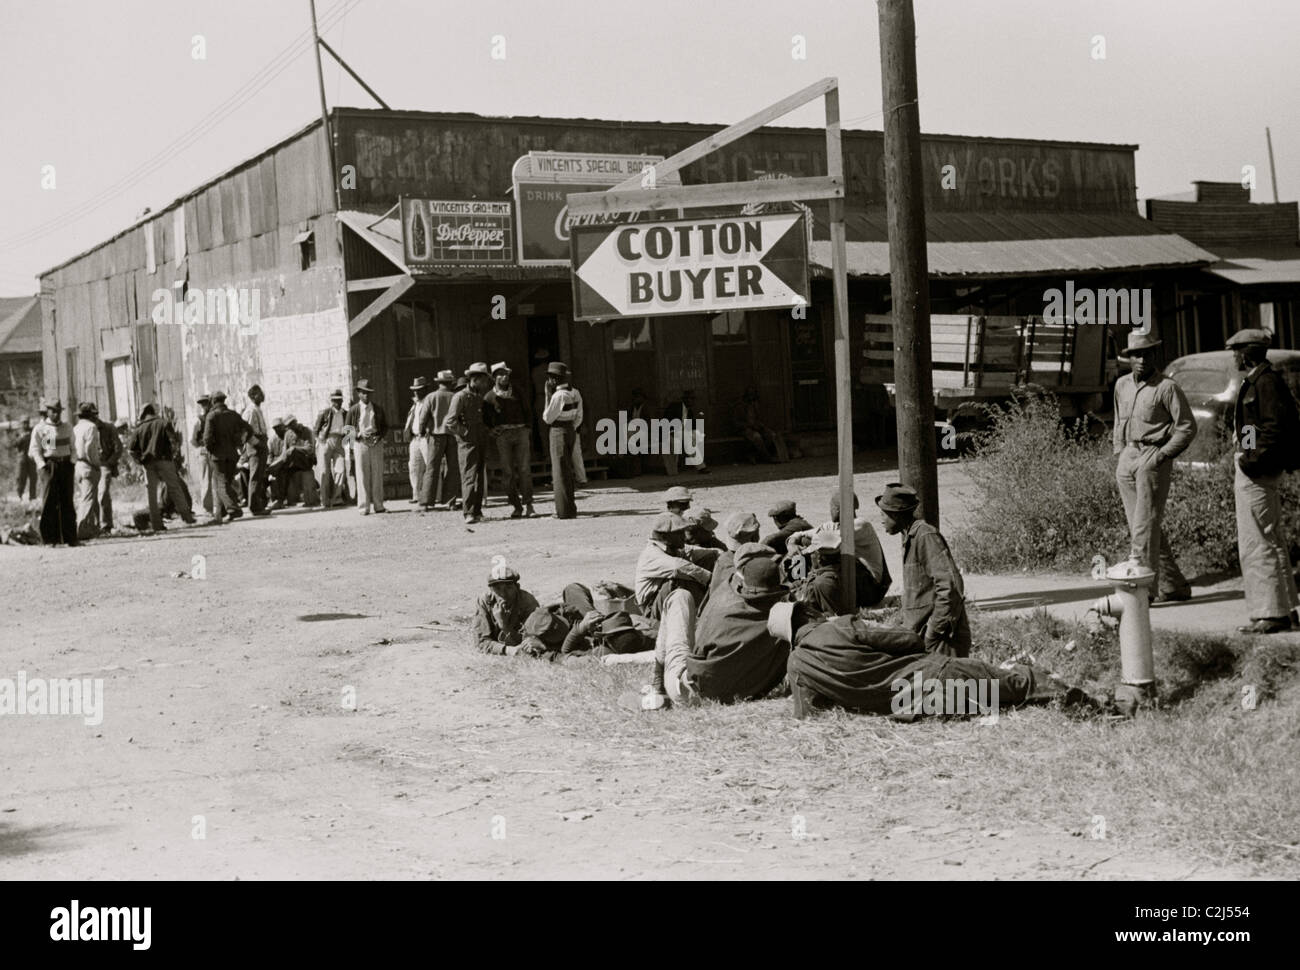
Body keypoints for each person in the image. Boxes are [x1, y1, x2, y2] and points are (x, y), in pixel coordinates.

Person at [770, 602, 1099, 720]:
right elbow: (908, 640)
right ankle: (1093, 706)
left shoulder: (797, 666)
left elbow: (807, 714)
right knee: (1021, 685)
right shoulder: (839, 627)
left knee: (1000, 699)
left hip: (922, 708)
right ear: (807, 613)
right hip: (939, 679)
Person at [1112, 330, 1196, 601]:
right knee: (1142, 524)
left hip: (1152, 456)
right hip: (1128, 456)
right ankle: (1174, 585)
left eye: (1146, 354)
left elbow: (1187, 427)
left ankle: (1144, 590)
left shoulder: (1166, 387)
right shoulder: (1121, 385)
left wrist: (1162, 455)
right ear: (1128, 358)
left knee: (1144, 526)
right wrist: (1120, 452)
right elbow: (1118, 421)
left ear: (1154, 355)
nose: (1141, 360)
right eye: (1136, 355)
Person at [1227, 327, 1300, 633]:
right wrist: (1246, 452)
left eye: (1236, 352)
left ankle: (1271, 613)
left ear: (1247, 354)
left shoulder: (1265, 382)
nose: (1233, 357)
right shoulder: (1257, 381)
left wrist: (1250, 461)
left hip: (1258, 472)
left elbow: (1273, 429)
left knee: (1258, 542)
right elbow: (1253, 426)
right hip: (1254, 468)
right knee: (1268, 538)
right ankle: (1285, 609)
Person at [656, 543, 790, 706]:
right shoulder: (787, 618)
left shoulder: (724, 605)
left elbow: (698, 653)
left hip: (691, 692)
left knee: (679, 597)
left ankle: (657, 687)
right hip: (744, 692)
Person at [876, 482, 971, 657]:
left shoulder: (926, 536)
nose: (881, 520)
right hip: (923, 637)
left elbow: (951, 587)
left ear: (896, 514)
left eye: (883, 514)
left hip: (942, 641)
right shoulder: (911, 537)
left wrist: (933, 631)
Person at [787, 490, 892, 608]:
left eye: (831, 507)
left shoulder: (861, 524)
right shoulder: (832, 525)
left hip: (870, 586)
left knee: (822, 574)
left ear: (837, 509)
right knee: (802, 549)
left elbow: (833, 541)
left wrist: (806, 546)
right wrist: (792, 543)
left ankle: (822, 596)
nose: (830, 511)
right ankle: (802, 587)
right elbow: (800, 534)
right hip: (851, 578)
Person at [129, 403, 195, 531]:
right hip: (165, 460)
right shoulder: (164, 423)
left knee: (151, 495)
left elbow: (131, 450)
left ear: (143, 414)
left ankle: (156, 524)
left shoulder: (139, 428)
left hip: (148, 464)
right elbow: (174, 442)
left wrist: (140, 460)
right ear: (153, 412)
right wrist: (172, 455)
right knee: (175, 488)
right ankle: (187, 518)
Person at [484, 361, 536, 518]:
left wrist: (527, 428)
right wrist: (492, 430)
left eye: (506, 373)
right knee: (508, 472)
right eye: (500, 374)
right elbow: (485, 418)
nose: (504, 377)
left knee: (524, 469)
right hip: (503, 436)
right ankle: (516, 506)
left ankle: (529, 505)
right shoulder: (489, 397)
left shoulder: (518, 391)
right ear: (494, 377)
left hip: (520, 432)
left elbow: (528, 410)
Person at [28, 399, 77, 546]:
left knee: (67, 500)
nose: (56, 414)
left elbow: (73, 446)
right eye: (53, 411)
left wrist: (72, 461)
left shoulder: (67, 427)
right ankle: (50, 539)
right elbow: (35, 450)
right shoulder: (42, 429)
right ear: (47, 411)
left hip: (66, 465)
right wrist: (42, 465)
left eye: (58, 411)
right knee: (50, 501)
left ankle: (70, 538)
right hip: (49, 465)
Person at [446, 362, 490, 523]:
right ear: (474, 379)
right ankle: (469, 512)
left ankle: (477, 511)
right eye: (483, 380)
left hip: (480, 440)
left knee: (479, 477)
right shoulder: (460, 397)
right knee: (469, 477)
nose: (485, 384)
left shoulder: (478, 397)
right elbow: (450, 422)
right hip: (467, 443)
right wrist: (464, 432)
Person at [471, 559, 541, 655]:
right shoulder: (485, 601)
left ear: (517, 587)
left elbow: (531, 641)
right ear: (491, 590)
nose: (503, 594)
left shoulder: (527, 601)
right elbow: (481, 642)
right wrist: (507, 650)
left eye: (508, 588)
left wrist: (504, 625)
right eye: (497, 589)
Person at [202, 391, 252, 525]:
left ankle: (233, 509)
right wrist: (241, 443)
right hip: (232, 455)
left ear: (213, 401)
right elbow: (249, 429)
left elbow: (207, 439)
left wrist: (212, 451)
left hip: (218, 456)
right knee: (226, 483)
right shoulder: (234, 415)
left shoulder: (211, 416)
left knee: (221, 484)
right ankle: (222, 514)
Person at [418, 370, 461, 511]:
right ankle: (451, 501)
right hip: (453, 436)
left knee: (431, 468)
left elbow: (423, 418)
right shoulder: (455, 396)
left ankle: (426, 502)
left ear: (439, 382)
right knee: (453, 468)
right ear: (451, 382)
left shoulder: (431, 397)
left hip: (435, 436)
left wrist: (422, 431)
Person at [542, 361, 580, 519]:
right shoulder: (575, 393)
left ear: (554, 379)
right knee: (567, 469)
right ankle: (570, 507)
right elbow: (579, 416)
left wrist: (547, 395)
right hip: (570, 429)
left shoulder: (558, 396)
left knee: (559, 472)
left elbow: (547, 418)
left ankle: (563, 510)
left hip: (558, 430)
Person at [346, 378, 389, 515]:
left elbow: (385, 426)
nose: (366, 395)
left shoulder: (377, 409)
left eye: (368, 393)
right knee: (362, 475)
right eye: (363, 392)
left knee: (377, 474)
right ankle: (363, 507)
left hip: (375, 443)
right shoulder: (353, 410)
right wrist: (359, 434)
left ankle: (379, 505)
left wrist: (379, 436)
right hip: (361, 444)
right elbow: (347, 431)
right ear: (358, 393)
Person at [71, 401, 103, 541]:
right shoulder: (91, 427)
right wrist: (96, 464)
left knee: (87, 497)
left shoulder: (75, 428)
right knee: (88, 499)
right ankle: (80, 528)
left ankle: (91, 527)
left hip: (77, 465)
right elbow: (90, 449)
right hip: (88, 464)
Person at [732, 385, 786, 463]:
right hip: (744, 429)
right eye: (750, 395)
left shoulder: (755, 405)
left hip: (756, 427)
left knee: (771, 435)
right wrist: (749, 425)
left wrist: (761, 426)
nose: (751, 398)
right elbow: (736, 423)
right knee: (757, 437)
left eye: (753, 396)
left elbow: (758, 419)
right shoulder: (739, 406)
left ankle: (756, 454)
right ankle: (767, 458)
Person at [242, 384, 272, 517]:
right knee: (255, 476)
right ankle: (254, 507)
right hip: (256, 446)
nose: (262, 395)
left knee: (259, 476)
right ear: (253, 396)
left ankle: (259, 504)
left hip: (261, 443)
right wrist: (258, 444)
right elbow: (246, 432)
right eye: (259, 394)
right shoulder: (250, 411)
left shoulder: (257, 409)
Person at [662, 389, 708, 475]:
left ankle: (701, 467)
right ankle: (700, 467)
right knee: (672, 471)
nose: (692, 401)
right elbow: (666, 421)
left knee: (690, 440)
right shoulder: (675, 406)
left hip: (680, 434)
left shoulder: (689, 411)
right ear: (685, 399)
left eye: (693, 399)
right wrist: (672, 431)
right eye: (690, 399)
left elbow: (691, 427)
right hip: (668, 433)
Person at [95, 408, 124, 533]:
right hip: (88, 466)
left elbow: (118, 448)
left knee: (102, 493)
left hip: (103, 465)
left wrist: (109, 463)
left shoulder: (108, 428)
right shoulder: (82, 428)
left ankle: (105, 525)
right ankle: (96, 524)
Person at [404, 376, 431, 504]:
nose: (416, 392)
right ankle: (416, 495)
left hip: (425, 437)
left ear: (425, 389)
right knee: (414, 467)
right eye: (415, 390)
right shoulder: (415, 405)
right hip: (415, 438)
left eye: (419, 389)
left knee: (430, 466)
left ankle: (433, 494)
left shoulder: (429, 403)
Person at [191, 393, 215, 515]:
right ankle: (207, 508)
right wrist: (201, 448)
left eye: (207, 403)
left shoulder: (214, 416)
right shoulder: (198, 420)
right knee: (206, 480)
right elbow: (192, 439)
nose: (205, 406)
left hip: (215, 450)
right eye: (203, 404)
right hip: (205, 451)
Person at [12, 417, 36, 500]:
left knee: (33, 477)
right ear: (21, 423)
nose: (25, 424)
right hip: (21, 458)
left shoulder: (33, 431)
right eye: (24, 422)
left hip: (31, 458)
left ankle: (32, 497)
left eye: (27, 422)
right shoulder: (17, 432)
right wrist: (21, 437)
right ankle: (19, 495)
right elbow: (14, 444)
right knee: (20, 477)